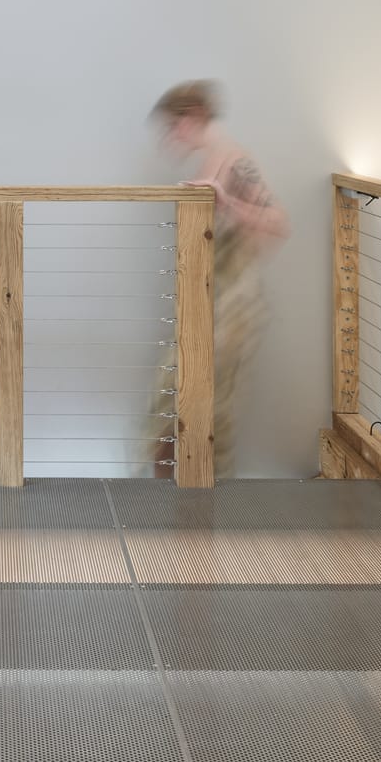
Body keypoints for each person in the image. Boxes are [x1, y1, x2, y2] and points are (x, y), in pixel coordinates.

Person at [152, 80, 288, 478]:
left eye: (172, 127)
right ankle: (174, 506)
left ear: (191, 116)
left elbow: (278, 223)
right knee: (175, 404)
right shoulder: (212, 160)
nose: (171, 137)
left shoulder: (233, 161)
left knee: (201, 406)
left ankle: (191, 514)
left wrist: (227, 202)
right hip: (211, 300)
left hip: (233, 306)